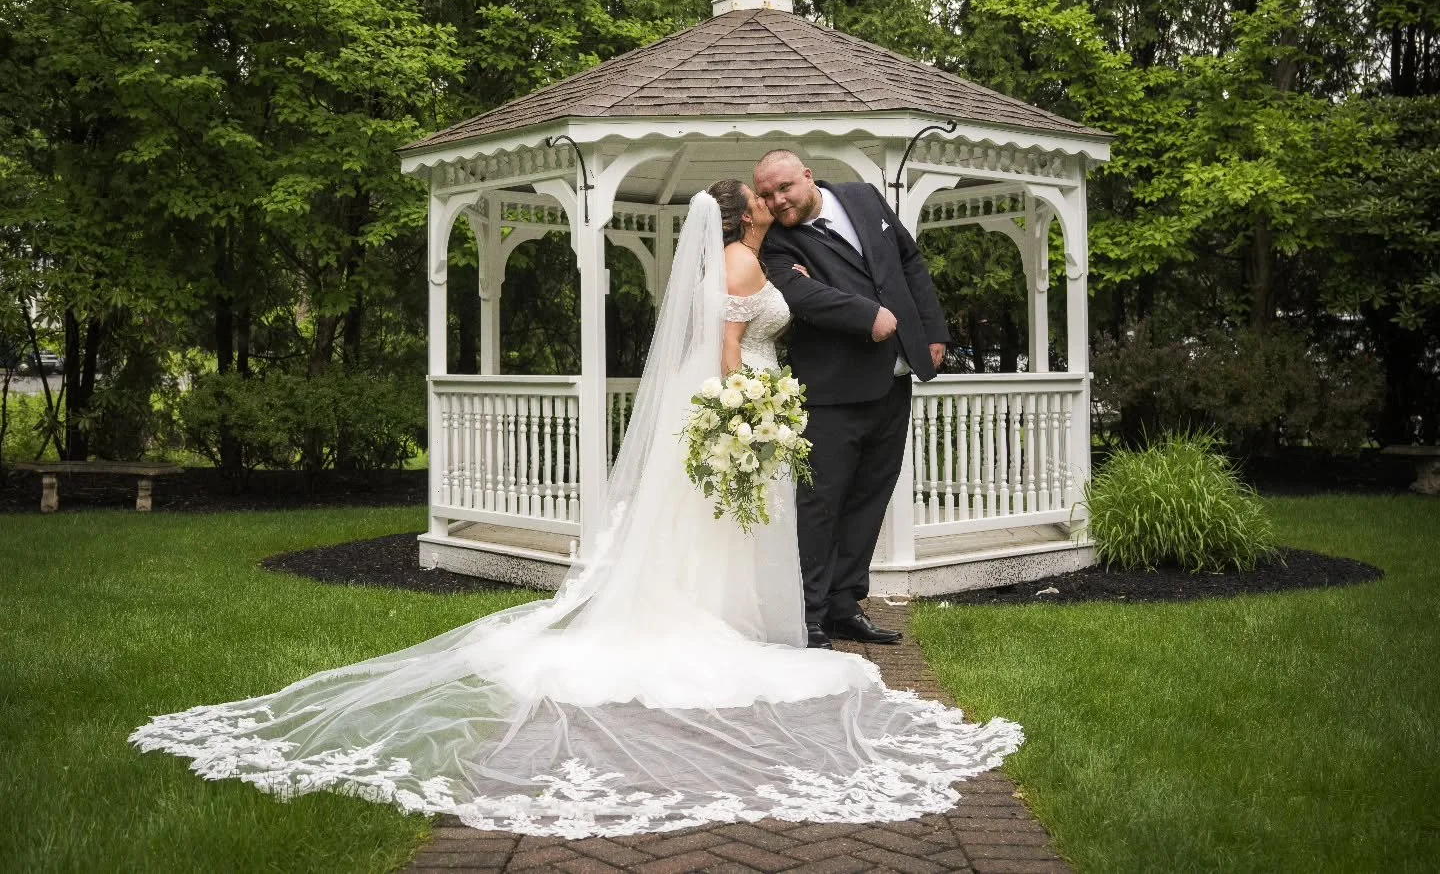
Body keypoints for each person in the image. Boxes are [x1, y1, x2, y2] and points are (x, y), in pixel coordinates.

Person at [130, 184, 1020, 839]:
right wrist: (740, 407)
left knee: (720, 528)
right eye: (755, 196)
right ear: (740, 214)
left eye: (766, 192)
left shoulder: (749, 253)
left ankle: (741, 613)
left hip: (736, 399)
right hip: (734, 397)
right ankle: (740, 622)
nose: (763, 201)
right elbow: (728, 343)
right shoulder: (750, 259)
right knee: (734, 526)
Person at [754, 150, 950, 651]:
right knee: (819, 506)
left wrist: (933, 329)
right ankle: (810, 614)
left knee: (869, 498)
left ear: (807, 177)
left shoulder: (863, 198)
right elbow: (802, 299)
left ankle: (845, 606)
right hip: (830, 393)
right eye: (768, 195)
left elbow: (908, 260)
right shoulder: (773, 244)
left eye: (784, 189)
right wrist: (868, 315)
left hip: (896, 378)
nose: (778, 201)